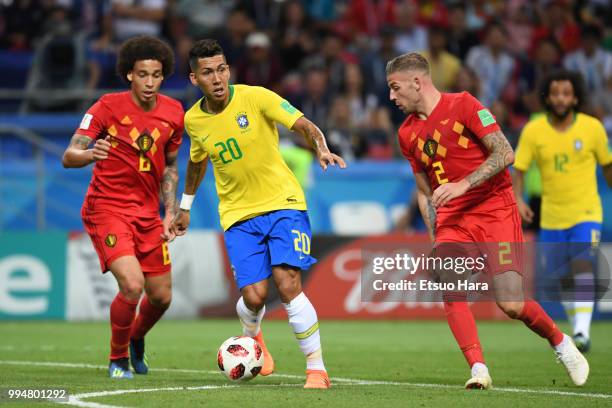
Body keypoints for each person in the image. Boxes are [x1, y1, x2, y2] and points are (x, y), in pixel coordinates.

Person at [386, 53, 589, 389]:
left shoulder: (463, 105)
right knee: (450, 285)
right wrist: (436, 234)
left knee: (510, 303)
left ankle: (560, 341)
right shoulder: (407, 134)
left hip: (495, 207)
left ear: (417, 82)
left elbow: (504, 152)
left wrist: (464, 183)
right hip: (453, 217)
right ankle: (478, 368)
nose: (392, 96)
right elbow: (424, 192)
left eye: (395, 88)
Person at [171, 39, 346, 389]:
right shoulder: (193, 121)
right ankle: (255, 343)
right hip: (238, 216)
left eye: (222, 69)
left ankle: (317, 369)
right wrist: (184, 207)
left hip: (284, 204)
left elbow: (304, 124)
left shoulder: (257, 96)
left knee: (287, 284)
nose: (218, 78)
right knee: (253, 296)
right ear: (194, 79)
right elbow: (195, 165)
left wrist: (322, 148)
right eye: (208, 72)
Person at [62, 36, 184, 379]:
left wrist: (170, 210)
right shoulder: (106, 106)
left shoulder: (174, 112)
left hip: (148, 214)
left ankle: (136, 337)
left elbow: (171, 165)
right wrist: (89, 154)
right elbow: (68, 155)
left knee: (161, 298)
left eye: (156, 75)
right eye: (142, 74)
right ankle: (118, 361)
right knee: (132, 286)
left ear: (163, 76)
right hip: (107, 209)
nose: (149, 82)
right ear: (129, 74)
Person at [513, 69, 612, 352]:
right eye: (555, 93)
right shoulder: (534, 131)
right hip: (552, 216)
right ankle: (577, 327)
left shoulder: (592, 128)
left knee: (582, 263)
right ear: (548, 96)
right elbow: (518, 169)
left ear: (575, 97)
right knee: (560, 274)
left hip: (586, 212)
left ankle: (581, 332)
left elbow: (607, 166)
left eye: (566, 93)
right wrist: (518, 199)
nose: (560, 99)